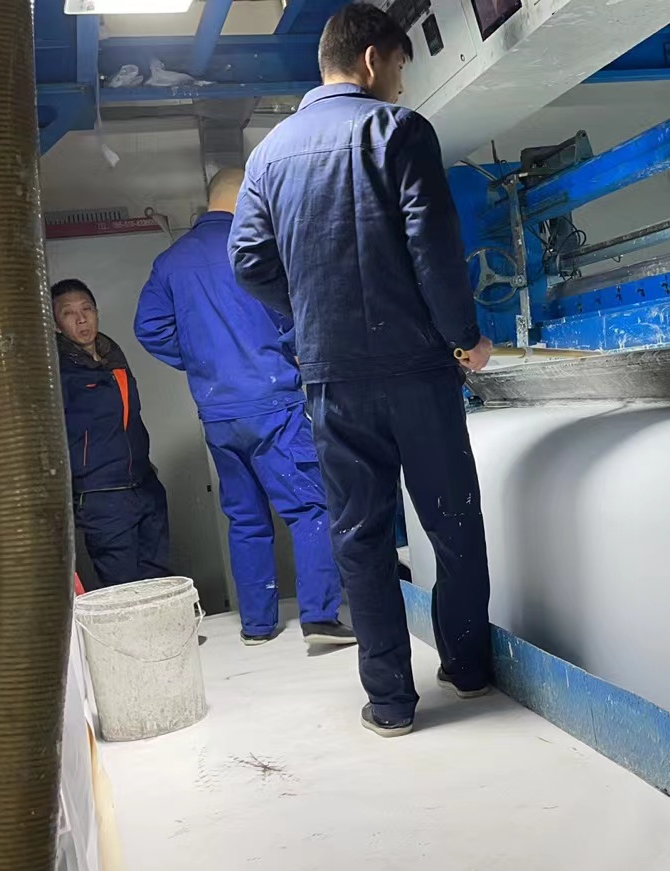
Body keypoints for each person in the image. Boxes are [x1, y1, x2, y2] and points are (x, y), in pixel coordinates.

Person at [230, 4, 495, 738]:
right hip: (417, 370)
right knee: (451, 523)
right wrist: (464, 338)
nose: (401, 85)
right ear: (373, 59)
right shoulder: (398, 131)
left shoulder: (268, 155)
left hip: (332, 378)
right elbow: (432, 244)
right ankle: (467, 669)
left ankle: (390, 703)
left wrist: (312, 311)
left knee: (359, 536)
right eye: (401, 67)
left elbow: (247, 260)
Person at [134, 169, 355, 648]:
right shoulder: (257, 250)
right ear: (245, 197)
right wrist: (288, 351)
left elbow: (149, 328)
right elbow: (295, 315)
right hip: (272, 404)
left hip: (218, 412)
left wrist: (203, 360)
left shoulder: (171, 261)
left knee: (246, 519)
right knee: (311, 507)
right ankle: (320, 616)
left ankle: (257, 626)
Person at [53, 278, 173, 588]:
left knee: (159, 580)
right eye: (68, 313)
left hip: (144, 486)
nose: (81, 319)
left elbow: (130, 418)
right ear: (56, 324)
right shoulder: (56, 370)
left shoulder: (113, 357)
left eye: (87, 309)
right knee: (124, 588)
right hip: (102, 497)